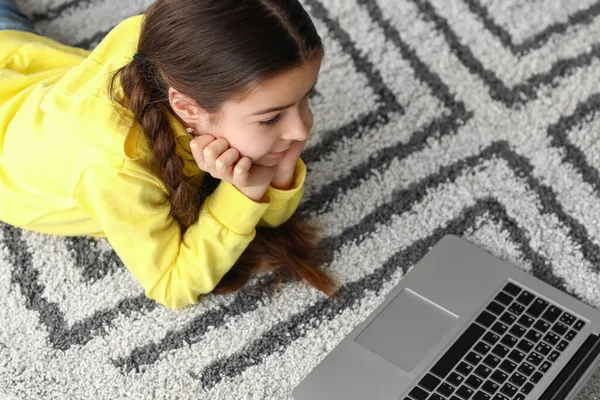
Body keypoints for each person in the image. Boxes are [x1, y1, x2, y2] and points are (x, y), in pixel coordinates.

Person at [0, 0, 337, 309]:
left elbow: (273, 218)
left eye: (307, 96)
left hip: (21, 56)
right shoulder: (115, 168)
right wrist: (242, 193)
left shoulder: (169, 48)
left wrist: (280, 164)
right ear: (186, 107)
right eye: (271, 117)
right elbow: (171, 286)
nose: (302, 129)